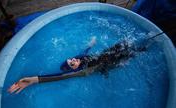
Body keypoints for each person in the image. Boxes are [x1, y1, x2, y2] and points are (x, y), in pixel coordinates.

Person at [8, 37, 146, 94]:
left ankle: (135, 44)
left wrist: (91, 44)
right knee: (125, 56)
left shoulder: (79, 58)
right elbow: (57, 76)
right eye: (72, 63)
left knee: (122, 44)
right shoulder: (78, 71)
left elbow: (83, 52)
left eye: (71, 59)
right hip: (103, 65)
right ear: (72, 69)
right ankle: (141, 50)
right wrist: (33, 80)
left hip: (103, 56)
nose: (73, 60)